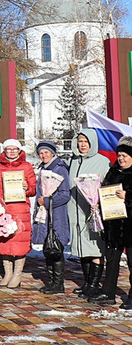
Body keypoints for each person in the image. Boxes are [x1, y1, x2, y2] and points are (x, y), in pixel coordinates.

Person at [90, 136, 132, 309]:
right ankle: (108, 293)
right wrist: (98, 203)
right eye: (119, 155)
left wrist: (128, 197)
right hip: (113, 224)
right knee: (112, 260)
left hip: (130, 226)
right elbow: (105, 190)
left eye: (125, 156)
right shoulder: (114, 171)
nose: (121, 159)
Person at [0, 139, 36, 289]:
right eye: (8, 149)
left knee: (20, 241)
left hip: (20, 209)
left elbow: (33, 189)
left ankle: (17, 274)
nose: (11, 152)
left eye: (14, 149)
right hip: (4, 208)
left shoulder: (27, 166)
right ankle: (7, 273)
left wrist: (26, 187)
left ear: (19, 150)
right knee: (4, 240)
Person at [68, 129, 109, 299]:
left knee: (95, 246)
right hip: (75, 211)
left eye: (86, 141)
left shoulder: (103, 161)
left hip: (94, 212)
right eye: (80, 141)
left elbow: (108, 185)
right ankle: (86, 282)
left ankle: (94, 284)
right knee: (82, 247)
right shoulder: (74, 161)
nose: (83, 144)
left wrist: (99, 202)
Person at [31, 141, 71, 294]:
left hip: (56, 214)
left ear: (53, 153)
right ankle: (51, 281)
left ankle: (58, 283)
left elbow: (65, 194)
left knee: (56, 246)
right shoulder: (42, 169)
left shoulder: (60, 169)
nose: (44, 155)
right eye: (41, 153)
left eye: (46, 152)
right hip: (44, 214)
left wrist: (47, 201)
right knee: (48, 246)